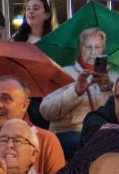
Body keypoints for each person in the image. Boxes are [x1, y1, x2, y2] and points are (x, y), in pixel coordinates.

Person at [39, 27, 111, 156]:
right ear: (80, 48)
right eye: (88, 47)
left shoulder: (112, 78)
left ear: (103, 50)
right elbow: (46, 111)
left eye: (97, 47)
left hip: (99, 133)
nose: (93, 52)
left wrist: (106, 88)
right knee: (86, 143)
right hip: (68, 133)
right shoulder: (63, 73)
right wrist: (75, 91)